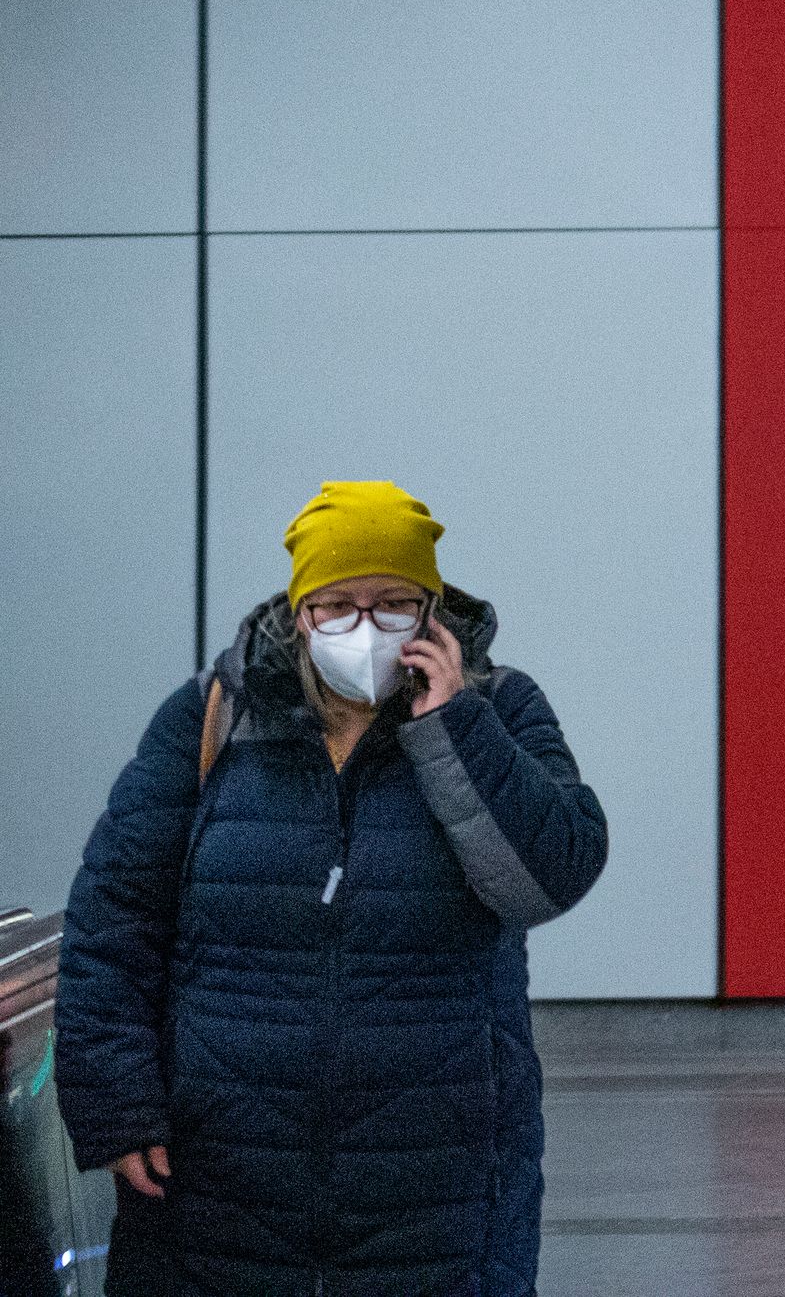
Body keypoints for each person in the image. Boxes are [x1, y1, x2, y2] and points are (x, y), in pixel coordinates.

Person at [57, 481, 609, 1296]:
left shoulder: (499, 707)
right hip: (219, 1177)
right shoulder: (215, 717)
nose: (365, 626)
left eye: (393, 603)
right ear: (299, 610)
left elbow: (548, 876)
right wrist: (118, 1098)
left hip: (437, 1178)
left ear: (432, 611)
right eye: (337, 604)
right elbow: (115, 915)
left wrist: (452, 729)